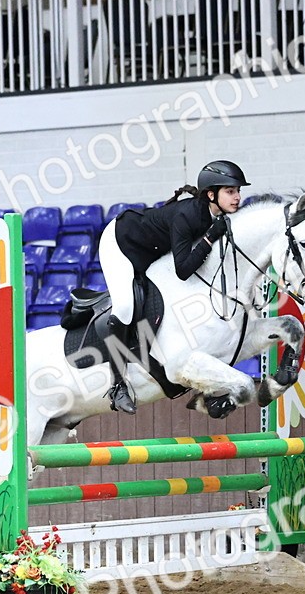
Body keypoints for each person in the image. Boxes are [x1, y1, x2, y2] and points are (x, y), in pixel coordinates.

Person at [97, 160, 250, 414]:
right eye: (231, 191)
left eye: (238, 191)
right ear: (212, 194)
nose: (237, 197)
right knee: (124, 307)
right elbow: (183, 270)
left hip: (152, 253)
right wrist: (211, 237)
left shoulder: (217, 215)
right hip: (121, 243)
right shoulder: (187, 215)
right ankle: (117, 385)